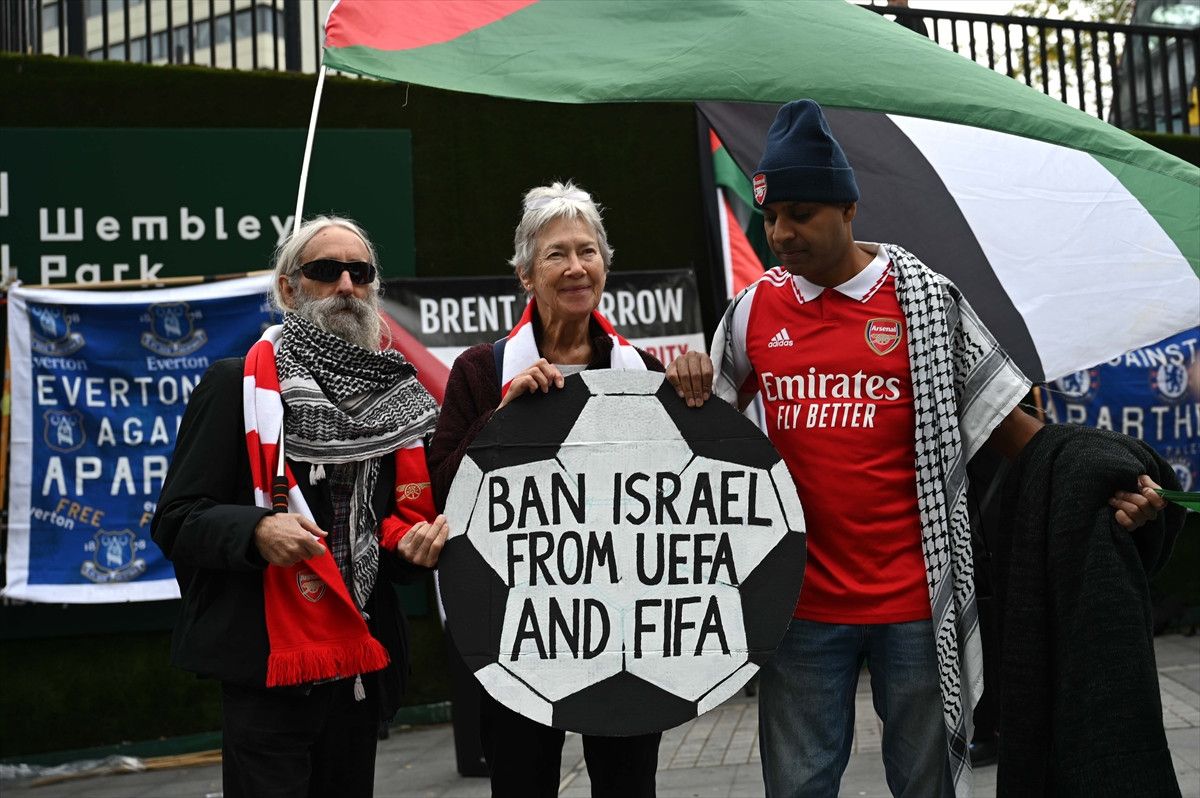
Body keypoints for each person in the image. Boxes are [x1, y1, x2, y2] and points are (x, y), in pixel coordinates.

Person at [666, 99, 1166, 798]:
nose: (780, 234)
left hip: (916, 605)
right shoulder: (755, 309)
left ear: (849, 208)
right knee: (798, 786)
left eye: (800, 214)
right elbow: (698, 433)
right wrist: (687, 381)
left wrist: (1108, 482)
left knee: (928, 786)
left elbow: (1015, 432)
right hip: (799, 603)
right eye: (771, 216)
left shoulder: (928, 303)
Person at [152, 216, 449, 798]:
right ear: (289, 289)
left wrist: (412, 552)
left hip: (359, 666)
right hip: (271, 668)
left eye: (360, 272)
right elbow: (177, 520)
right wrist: (258, 530)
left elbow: (389, 540)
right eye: (325, 270)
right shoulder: (235, 386)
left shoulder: (396, 400)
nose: (346, 285)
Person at [428, 181, 663, 798]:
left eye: (588, 251)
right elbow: (441, 491)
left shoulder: (641, 372)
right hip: (519, 632)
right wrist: (500, 417)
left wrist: (690, 385)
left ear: (605, 265)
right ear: (526, 275)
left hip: (625, 633)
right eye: (557, 254)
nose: (576, 267)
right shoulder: (482, 371)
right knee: (522, 782)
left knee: (628, 786)